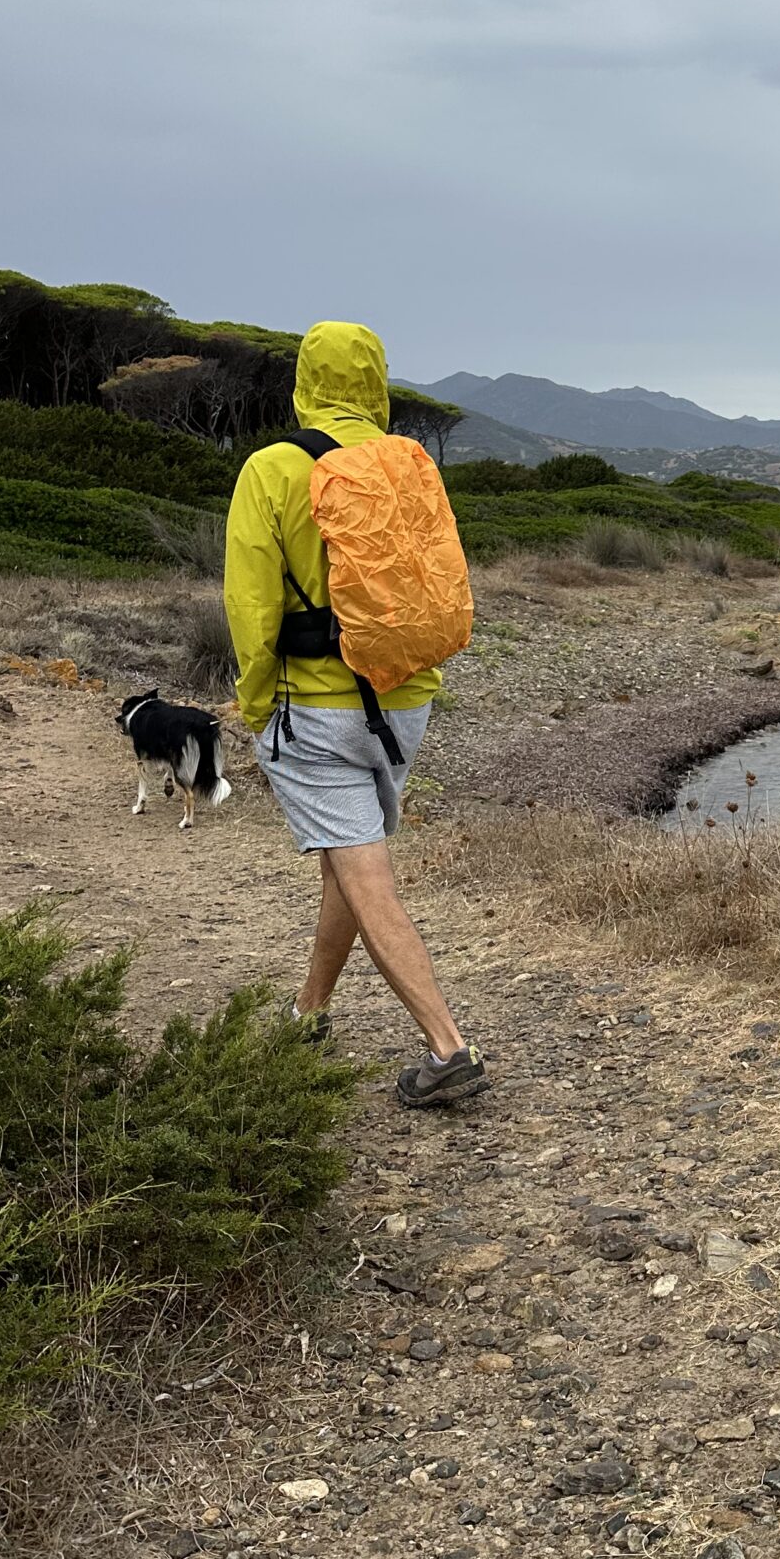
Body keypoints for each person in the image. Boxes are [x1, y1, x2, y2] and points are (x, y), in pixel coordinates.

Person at [224, 320, 487, 1107]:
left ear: (304, 381)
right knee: (350, 854)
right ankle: (309, 1013)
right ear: (376, 382)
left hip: (316, 709)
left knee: (366, 876)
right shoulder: (410, 465)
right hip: (405, 701)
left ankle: (447, 1048)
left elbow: (250, 603)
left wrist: (255, 699)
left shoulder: (273, 468)